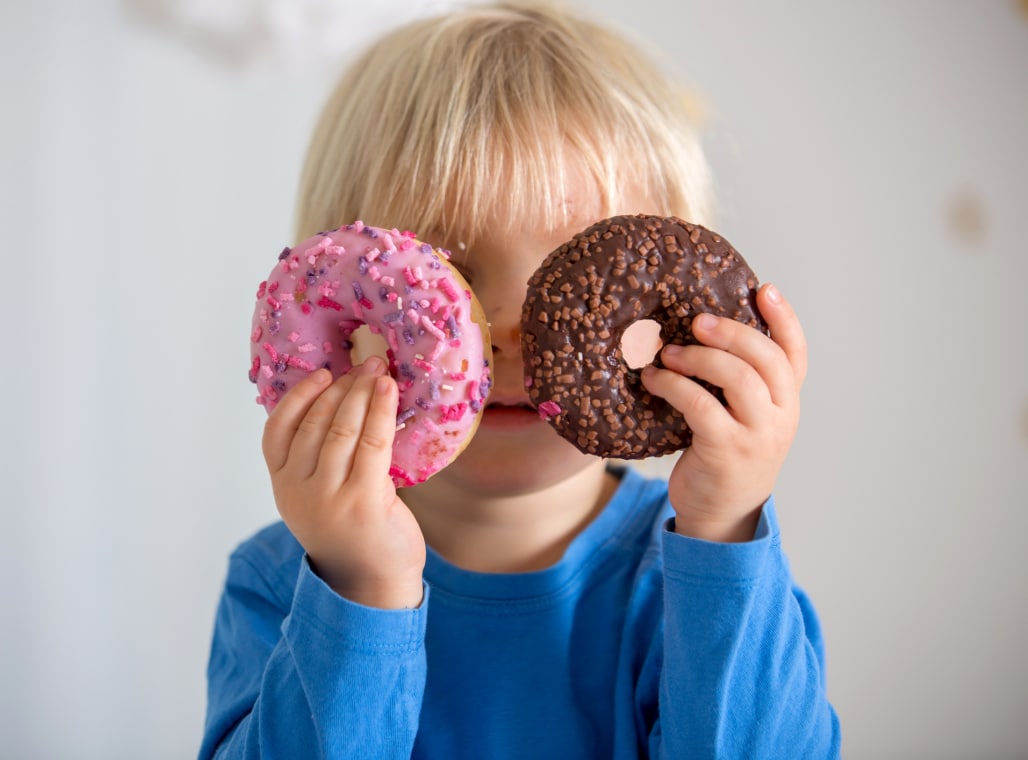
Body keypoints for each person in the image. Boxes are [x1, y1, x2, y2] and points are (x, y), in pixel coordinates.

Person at [200, 2, 841, 758]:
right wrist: (361, 592)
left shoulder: (697, 576)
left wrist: (727, 530)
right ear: (354, 303)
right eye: (448, 273)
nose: (507, 332)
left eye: (570, 282)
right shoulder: (285, 582)